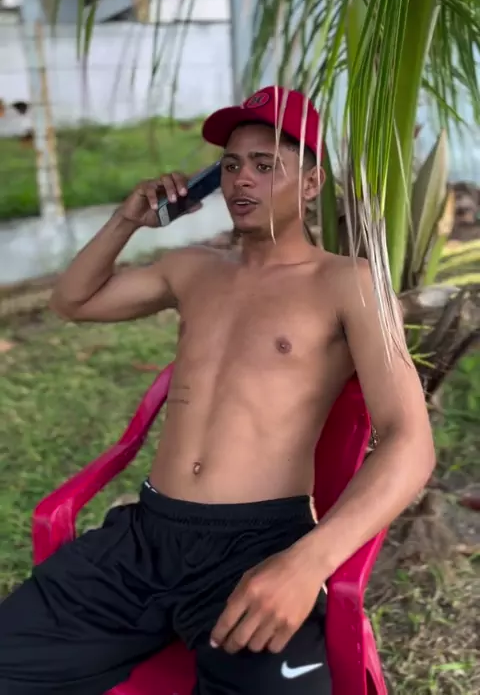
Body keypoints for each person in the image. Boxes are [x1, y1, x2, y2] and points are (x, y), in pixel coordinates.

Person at [0, 86, 436, 695]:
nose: (241, 180)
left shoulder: (350, 284)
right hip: (145, 537)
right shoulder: (193, 268)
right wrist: (127, 219)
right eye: (230, 166)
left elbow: (410, 441)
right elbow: (71, 301)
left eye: (265, 165)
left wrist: (306, 563)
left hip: (256, 545)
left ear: (311, 184)